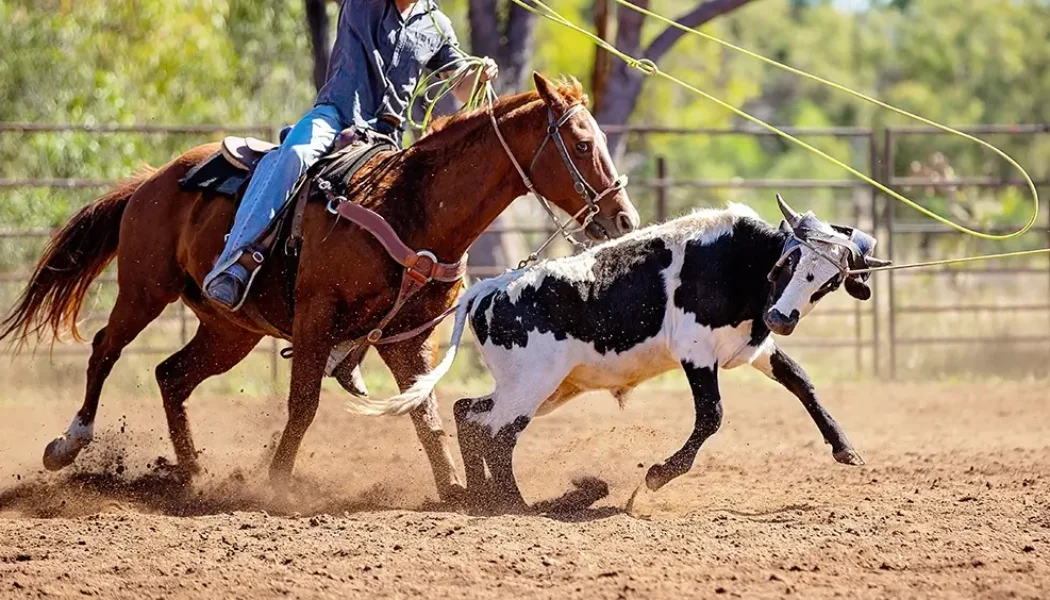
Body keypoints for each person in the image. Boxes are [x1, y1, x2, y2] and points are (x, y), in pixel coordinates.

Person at [204, 0, 498, 309]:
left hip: (387, 138)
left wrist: (480, 75)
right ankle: (234, 263)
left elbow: (461, 88)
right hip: (336, 115)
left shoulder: (437, 24)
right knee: (295, 154)